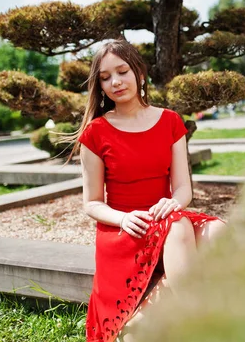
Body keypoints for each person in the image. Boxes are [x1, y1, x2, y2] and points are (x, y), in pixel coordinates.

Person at [69, 39, 226, 342]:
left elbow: (183, 188)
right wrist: (124, 219)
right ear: (100, 86)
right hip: (124, 227)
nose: (115, 82)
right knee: (179, 226)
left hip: (164, 214)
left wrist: (172, 202)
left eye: (122, 71)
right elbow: (91, 203)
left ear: (140, 74)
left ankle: (146, 319)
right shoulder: (96, 132)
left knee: (218, 232)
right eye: (105, 77)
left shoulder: (169, 121)